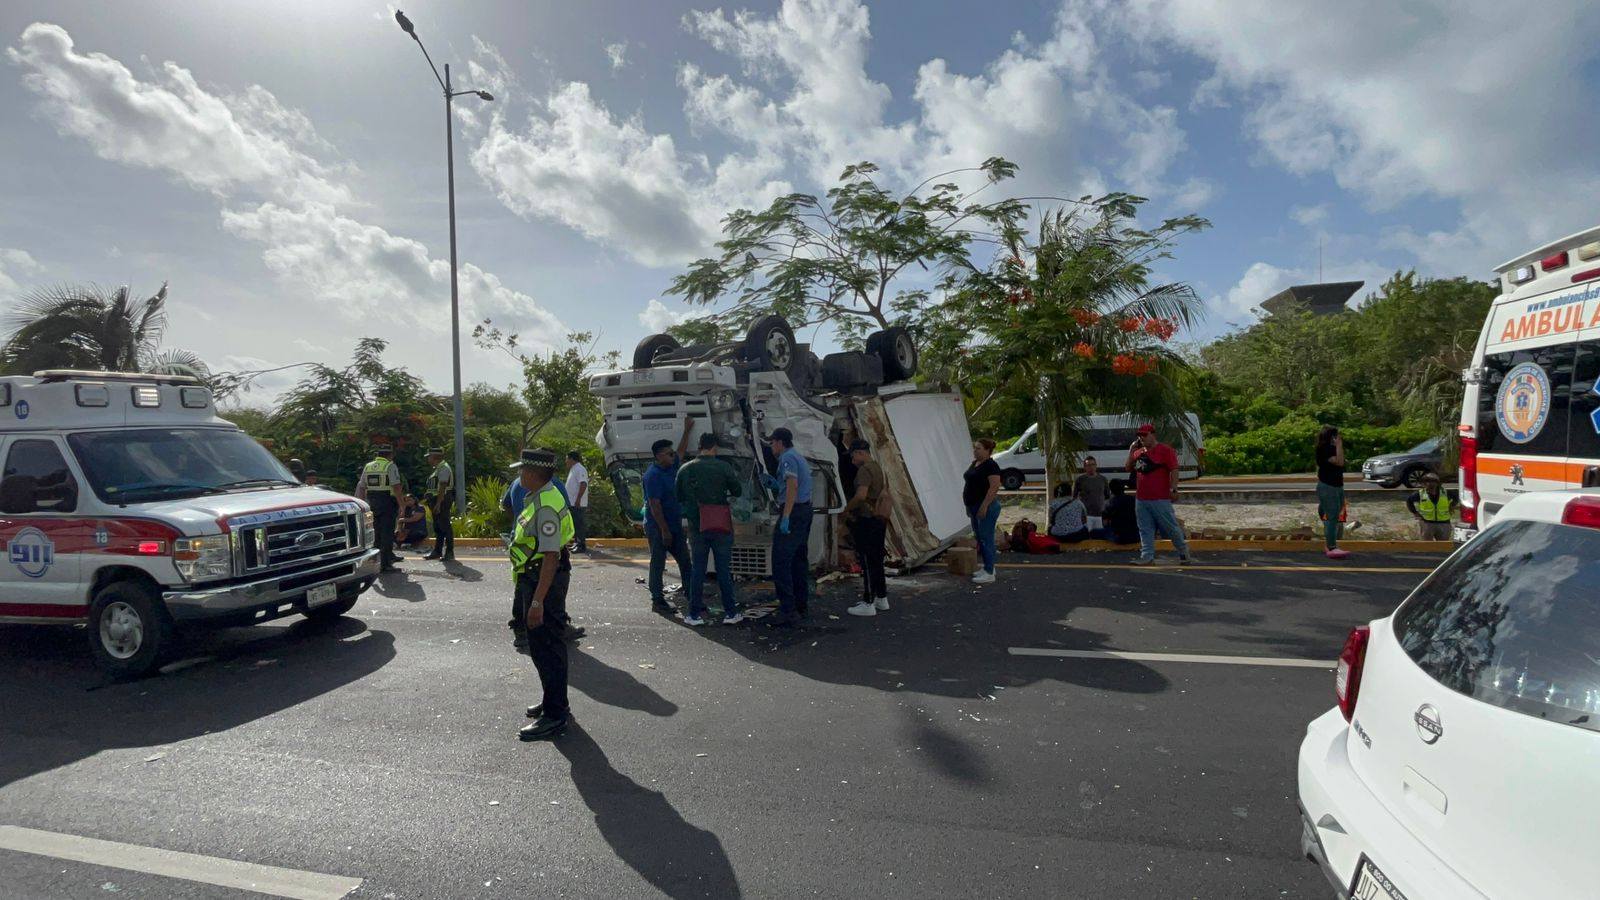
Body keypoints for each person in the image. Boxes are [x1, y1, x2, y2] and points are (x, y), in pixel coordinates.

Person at [506, 448, 577, 741]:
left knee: (547, 647)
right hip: (535, 577)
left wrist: (537, 601)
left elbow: (550, 557)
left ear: (535, 474)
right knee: (543, 646)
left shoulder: (545, 504)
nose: (520, 474)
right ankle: (553, 702)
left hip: (541, 580)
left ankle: (556, 715)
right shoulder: (539, 496)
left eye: (523, 470)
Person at [675, 432, 744, 625]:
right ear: (715, 447)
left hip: (697, 527)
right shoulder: (724, 467)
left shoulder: (685, 469)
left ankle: (694, 614)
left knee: (698, 570)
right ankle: (731, 613)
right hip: (721, 525)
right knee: (723, 570)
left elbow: (678, 496)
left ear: (700, 445)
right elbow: (737, 491)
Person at [762, 426, 814, 626]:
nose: (771, 447)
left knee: (781, 561)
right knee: (798, 560)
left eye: (772, 442)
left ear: (779, 442)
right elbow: (789, 484)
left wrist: (786, 516)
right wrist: (775, 485)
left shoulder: (787, 458)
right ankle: (801, 606)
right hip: (804, 510)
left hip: (794, 512)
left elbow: (792, 485)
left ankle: (788, 610)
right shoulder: (798, 456)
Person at [643, 418, 695, 615]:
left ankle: (692, 595)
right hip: (659, 526)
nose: (673, 456)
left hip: (673, 523)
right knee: (658, 562)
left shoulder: (671, 467)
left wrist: (687, 431)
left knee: (685, 560)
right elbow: (654, 505)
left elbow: (680, 452)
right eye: (668, 453)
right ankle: (657, 599)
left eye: (672, 453)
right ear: (658, 456)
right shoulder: (653, 475)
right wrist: (664, 530)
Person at [1126, 424, 1192, 565]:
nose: (1142, 438)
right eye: (1140, 435)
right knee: (1144, 528)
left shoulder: (1165, 451)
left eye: (1145, 435)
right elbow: (1127, 467)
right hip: (1142, 498)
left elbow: (1174, 469)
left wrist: (1174, 488)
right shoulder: (1139, 452)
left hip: (1159, 498)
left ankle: (1183, 550)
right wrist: (1132, 450)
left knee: (1170, 527)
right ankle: (1147, 556)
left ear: (1152, 434)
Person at [844, 438, 891, 617]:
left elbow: (861, 495)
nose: (852, 460)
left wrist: (847, 509)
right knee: (877, 559)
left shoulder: (864, 470)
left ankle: (868, 602)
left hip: (867, 520)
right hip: (879, 519)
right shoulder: (877, 467)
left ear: (859, 453)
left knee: (867, 560)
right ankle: (881, 597)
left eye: (852, 456)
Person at [354, 444, 404, 572]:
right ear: (390, 455)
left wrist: (362, 503)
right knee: (387, 533)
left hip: (372, 501)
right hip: (387, 501)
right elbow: (396, 486)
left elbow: (362, 486)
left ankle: (375, 562)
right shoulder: (390, 465)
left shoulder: (368, 466)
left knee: (376, 533)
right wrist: (402, 505)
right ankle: (386, 564)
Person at [963, 439, 1003, 583]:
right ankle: (987, 565)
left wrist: (984, 506)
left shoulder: (991, 466)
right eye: (975, 448)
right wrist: (968, 506)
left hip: (986, 506)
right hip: (973, 505)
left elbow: (994, 487)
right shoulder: (975, 463)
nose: (975, 451)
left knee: (986, 538)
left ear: (987, 450)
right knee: (979, 537)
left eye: (978, 448)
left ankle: (989, 572)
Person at [1315, 426, 1351, 559]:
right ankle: (1331, 547)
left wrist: (1338, 447)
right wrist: (1339, 445)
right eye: (1336, 436)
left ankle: (1329, 538)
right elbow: (1340, 462)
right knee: (1333, 516)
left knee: (1336, 511)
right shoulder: (1323, 449)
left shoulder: (1332, 449)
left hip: (1337, 486)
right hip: (1328, 486)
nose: (1337, 438)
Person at [422, 448, 455, 561]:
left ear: (435, 457)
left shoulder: (444, 468)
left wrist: (438, 503)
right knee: (438, 527)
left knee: (445, 526)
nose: (428, 459)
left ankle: (449, 552)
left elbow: (442, 486)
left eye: (429, 456)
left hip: (442, 499)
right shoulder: (438, 469)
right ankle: (437, 551)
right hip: (437, 500)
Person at [1406, 472, 1457, 541]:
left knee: (1442, 547)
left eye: (1432, 481)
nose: (1429, 483)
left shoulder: (1446, 493)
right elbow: (1409, 501)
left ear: (1437, 483)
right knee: (1427, 546)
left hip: (1444, 523)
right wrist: (1415, 512)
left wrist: (1452, 505)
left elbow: (1456, 497)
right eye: (1427, 481)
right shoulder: (1420, 494)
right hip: (1427, 523)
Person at [1073, 456, 1110, 532]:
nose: (1091, 467)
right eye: (1089, 465)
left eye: (1093, 464)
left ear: (1096, 465)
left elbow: (1107, 496)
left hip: (1100, 515)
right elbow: (1074, 497)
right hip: (1086, 516)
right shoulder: (1080, 480)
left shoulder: (1103, 479)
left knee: (1099, 538)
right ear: (1085, 467)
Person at [565, 451, 591, 553]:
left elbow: (583, 484)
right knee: (575, 524)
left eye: (567, 458)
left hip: (577, 503)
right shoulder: (573, 469)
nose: (566, 461)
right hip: (572, 502)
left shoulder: (580, 469)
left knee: (579, 524)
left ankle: (581, 545)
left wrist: (578, 499)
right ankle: (576, 543)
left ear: (572, 459)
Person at [1103, 478, 1139, 544]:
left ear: (1111, 490)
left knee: (1094, 532)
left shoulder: (1111, 502)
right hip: (1136, 536)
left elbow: (1105, 521)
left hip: (1119, 538)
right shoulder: (1133, 500)